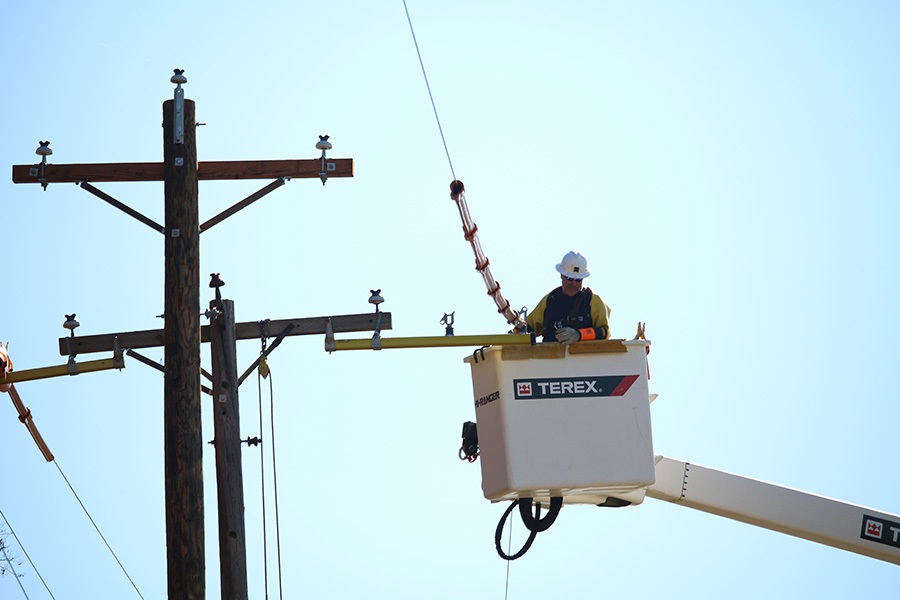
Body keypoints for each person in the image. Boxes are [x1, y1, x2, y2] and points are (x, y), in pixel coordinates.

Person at [525, 251, 611, 344]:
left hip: (583, 356)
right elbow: (528, 328)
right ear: (561, 275)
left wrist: (579, 335)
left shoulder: (592, 299)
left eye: (578, 279)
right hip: (550, 356)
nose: (573, 283)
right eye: (569, 278)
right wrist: (516, 328)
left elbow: (604, 332)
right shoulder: (551, 300)